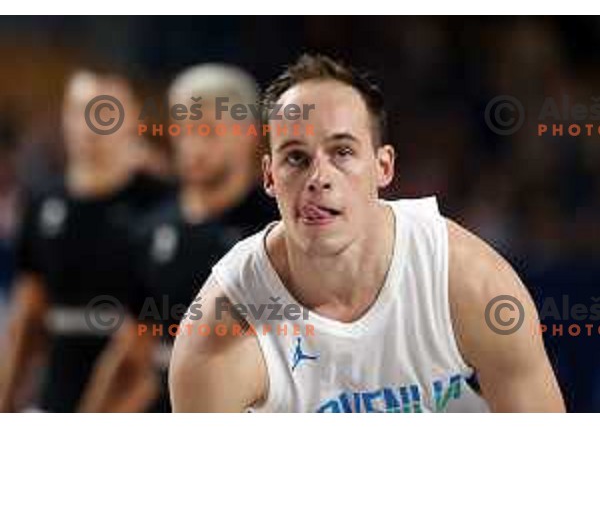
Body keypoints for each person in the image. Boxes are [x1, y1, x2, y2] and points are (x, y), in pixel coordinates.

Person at [169, 54, 565, 413]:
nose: (319, 177)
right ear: (270, 176)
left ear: (383, 167)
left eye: (342, 152)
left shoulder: (467, 280)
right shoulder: (219, 333)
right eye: (296, 157)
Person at [80, 64, 277, 412]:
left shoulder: (275, 230)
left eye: (209, 132)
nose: (192, 146)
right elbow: (131, 352)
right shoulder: (151, 227)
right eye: (184, 130)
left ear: (248, 132)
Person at [0, 68, 171, 413]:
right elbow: (27, 317)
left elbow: (151, 340)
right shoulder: (43, 202)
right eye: (82, 110)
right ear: (65, 118)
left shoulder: (165, 205)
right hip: (56, 401)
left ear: (132, 118)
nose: (93, 124)